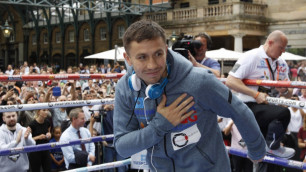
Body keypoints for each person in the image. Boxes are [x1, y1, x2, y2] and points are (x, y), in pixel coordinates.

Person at [113, 19, 266, 172]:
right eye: (142, 57)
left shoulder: (199, 81)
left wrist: (257, 150)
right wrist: (160, 125)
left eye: (158, 54)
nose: (152, 65)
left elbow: (239, 111)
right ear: (128, 58)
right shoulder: (125, 88)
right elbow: (122, 146)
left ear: (166, 50)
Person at [226, 30, 295, 171]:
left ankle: (268, 147)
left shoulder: (281, 63)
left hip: (269, 110)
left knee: (266, 161)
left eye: (284, 49)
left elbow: (290, 92)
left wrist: (285, 90)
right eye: (280, 48)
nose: (282, 52)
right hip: (249, 106)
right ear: (270, 43)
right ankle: (272, 147)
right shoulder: (251, 56)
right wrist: (255, 94)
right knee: (284, 113)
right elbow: (230, 81)